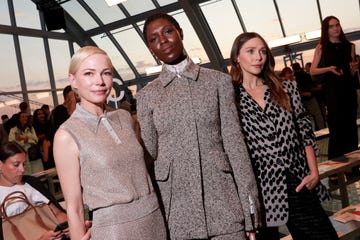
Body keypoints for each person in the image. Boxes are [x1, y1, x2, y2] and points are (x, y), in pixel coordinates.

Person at [136, 13, 260, 240]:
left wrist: (250, 210)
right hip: (176, 212)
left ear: (180, 32)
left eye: (167, 31)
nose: (162, 41)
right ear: (151, 49)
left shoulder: (218, 82)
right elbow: (148, 157)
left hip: (224, 203)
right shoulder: (147, 97)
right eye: (153, 39)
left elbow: (235, 147)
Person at [229, 32, 338, 240]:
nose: (258, 57)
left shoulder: (286, 88)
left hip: (297, 179)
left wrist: (314, 172)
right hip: (260, 186)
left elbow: (304, 130)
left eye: (262, 51)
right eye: (250, 51)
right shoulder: (230, 98)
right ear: (236, 57)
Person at [53, 46, 167, 240]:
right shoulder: (67, 134)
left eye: (106, 73)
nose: (99, 81)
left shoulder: (124, 118)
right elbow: (74, 208)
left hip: (154, 219)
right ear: (73, 80)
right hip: (114, 230)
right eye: (89, 73)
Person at [310, 16, 358, 161]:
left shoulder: (349, 46)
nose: (336, 28)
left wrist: (354, 68)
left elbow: (351, 73)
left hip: (348, 90)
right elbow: (312, 71)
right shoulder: (321, 48)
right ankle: (335, 166)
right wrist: (329, 69)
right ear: (326, 30)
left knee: (350, 126)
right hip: (333, 92)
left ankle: (353, 165)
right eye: (331, 26)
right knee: (337, 129)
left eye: (337, 25)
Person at [0, 141, 69, 240]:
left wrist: (69, 226)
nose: (22, 169)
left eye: (24, 164)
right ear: (0, 165)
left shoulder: (31, 183)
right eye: (16, 165)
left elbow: (58, 213)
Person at [292, 62, 325, 130]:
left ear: (293, 69)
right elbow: (311, 86)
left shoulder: (293, 78)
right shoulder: (306, 75)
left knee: (303, 117)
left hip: (299, 100)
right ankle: (322, 130)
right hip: (310, 97)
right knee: (317, 115)